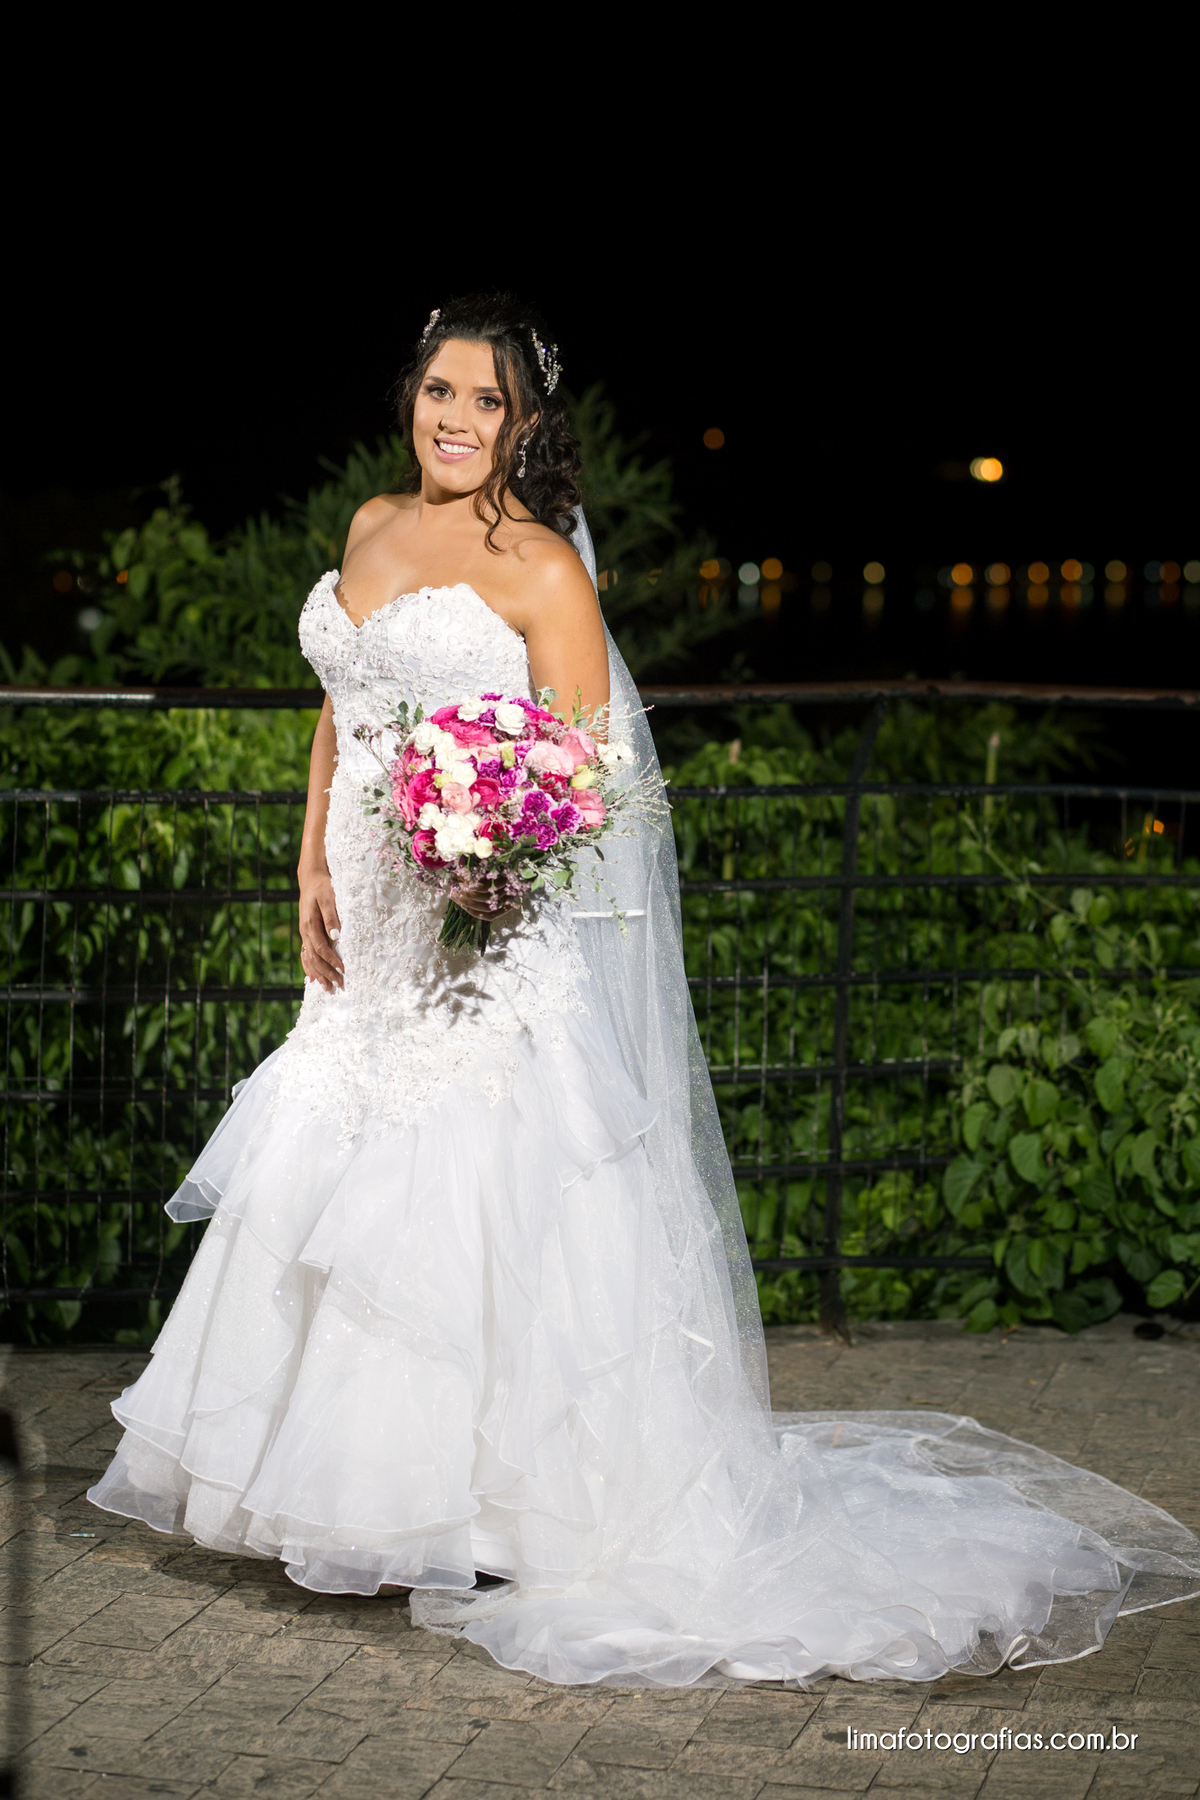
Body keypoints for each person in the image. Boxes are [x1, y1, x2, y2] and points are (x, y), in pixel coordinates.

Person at [89, 295, 1200, 1688]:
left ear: (524, 423)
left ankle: (493, 1507)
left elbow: (595, 776)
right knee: (345, 1170)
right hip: (364, 919)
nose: (453, 420)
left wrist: (485, 852)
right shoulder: (373, 526)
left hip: (479, 928)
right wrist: (306, 854)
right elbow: (344, 702)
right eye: (438, 392)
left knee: (476, 1193)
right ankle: (335, 1492)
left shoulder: (544, 567)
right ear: (409, 398)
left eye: (484, 402)